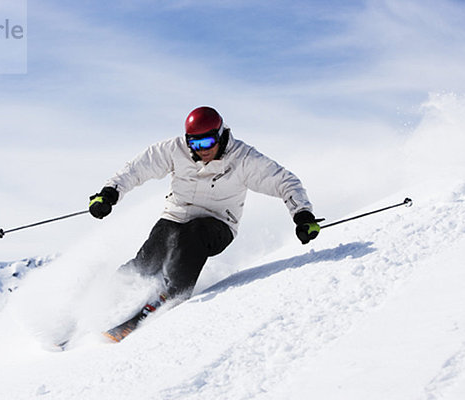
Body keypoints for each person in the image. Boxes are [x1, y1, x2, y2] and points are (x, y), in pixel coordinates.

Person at [89, 106, 320, 305]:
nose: (202, 149)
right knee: (148, 259)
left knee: (193, 234)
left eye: (208, 141)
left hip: (219, 223)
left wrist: (302, 215)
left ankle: (172, 296)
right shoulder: (173, 150)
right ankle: (105, 300)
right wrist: (109, 194)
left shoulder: (243, 158)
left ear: (220, 135)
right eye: (195, 143)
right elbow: (136, 169)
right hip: (175, 216)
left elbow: (285, 182)